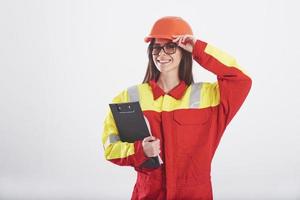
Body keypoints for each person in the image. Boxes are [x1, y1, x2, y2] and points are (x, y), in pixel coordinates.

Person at [101, 16, 252, 200]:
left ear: (183, 50)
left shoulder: (211, 97)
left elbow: (240, 80)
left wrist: (198, 48)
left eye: (170, 47)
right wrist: (140, 151)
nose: (162, 54)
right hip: (149, 195)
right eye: (156, 48)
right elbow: (110, 148)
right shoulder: (128, 97)